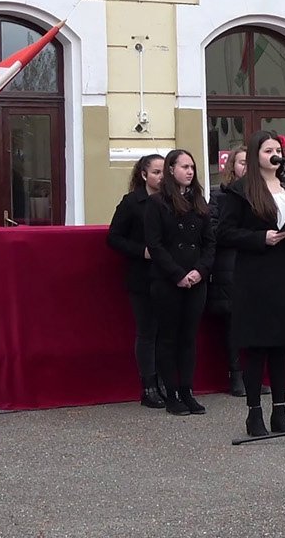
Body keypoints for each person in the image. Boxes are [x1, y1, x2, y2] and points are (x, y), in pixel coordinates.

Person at [217, 130, 285, 436]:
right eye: (268, 150)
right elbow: (225, 232)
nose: (275, 155)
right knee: (257, 347)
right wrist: (260, 238)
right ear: (256, 154)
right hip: (255, 277)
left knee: (282, 345)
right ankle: (254, 413)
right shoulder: (240, 190)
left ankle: (280, 412)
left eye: (278, 150)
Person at [144, 149, 215, 416]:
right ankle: (171, 393)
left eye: (192, 167)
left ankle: (187, 391)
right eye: (184, 167)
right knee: (168, 337)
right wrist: (177, 274)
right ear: (171, 170)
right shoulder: (157, 203)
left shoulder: (198, 200)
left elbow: (210, 242)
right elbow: (155, 244)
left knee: (188, 338)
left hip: (196, 280)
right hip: (168, 280)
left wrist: (200, 271)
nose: (189, 171)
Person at [106, 153, 166, 409]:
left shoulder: (173, 200)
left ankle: (165, 382)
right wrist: (142, 251)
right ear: (144, 175)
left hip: (168, 275)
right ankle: (149, 386)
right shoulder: (132, 202)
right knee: (147, 332)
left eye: (165, 172)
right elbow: (114, 237)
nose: (161, 177)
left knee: (166, 332)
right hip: (142, 276)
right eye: (156, 172)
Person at [208, 145, 253, 397]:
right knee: (233, 323)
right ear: (232, 166)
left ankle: (253, 374)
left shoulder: (262, 193)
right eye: (242, 163)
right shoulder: (220, 194)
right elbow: (213, 230)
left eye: (250, 163)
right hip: (230, 265)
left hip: (255, 264)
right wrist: (245, 235)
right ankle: (235, 375)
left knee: (254, 322)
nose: (246, 168)